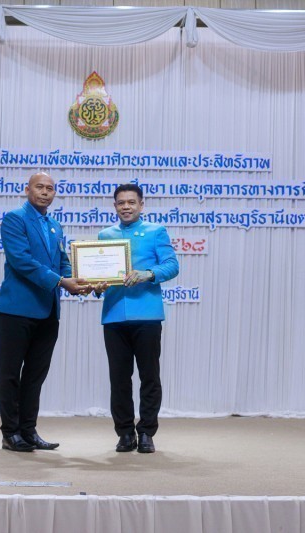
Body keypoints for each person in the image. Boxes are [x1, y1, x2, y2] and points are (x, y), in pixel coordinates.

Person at [0, 171, 89, 452]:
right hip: (17, 309)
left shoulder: (55, 225)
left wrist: (79, 281)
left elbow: (62, 261)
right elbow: (21, 261)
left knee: (35, 375)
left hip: (48, 310)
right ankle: (10, 433)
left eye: (50, 188)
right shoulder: (15, 219)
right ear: (27, 190)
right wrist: (61, 282)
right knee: (11, 374)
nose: (45, 192)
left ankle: (28, 430)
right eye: (40, 187)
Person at [94, 183, 179, 453]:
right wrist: (96, 285)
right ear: (114, 206)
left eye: (131, 202)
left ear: (141, 205)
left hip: (147, 315)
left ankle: (146, 432)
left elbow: (172, 265)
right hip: (114, 316)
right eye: (121, 203)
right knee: (119, 379)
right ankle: (124, 433)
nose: (126, 207)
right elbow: (99, 273)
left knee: (149, 376)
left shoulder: (156, 231)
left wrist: (148, 274)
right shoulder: (105, 234)